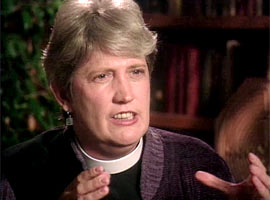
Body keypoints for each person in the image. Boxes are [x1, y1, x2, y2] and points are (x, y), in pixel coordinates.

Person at [1, 0, 270, 199]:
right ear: (63, 94)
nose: (126, 95)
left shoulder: (198, 163)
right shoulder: (14, 171)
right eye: (102, 76)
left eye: (136, 72)